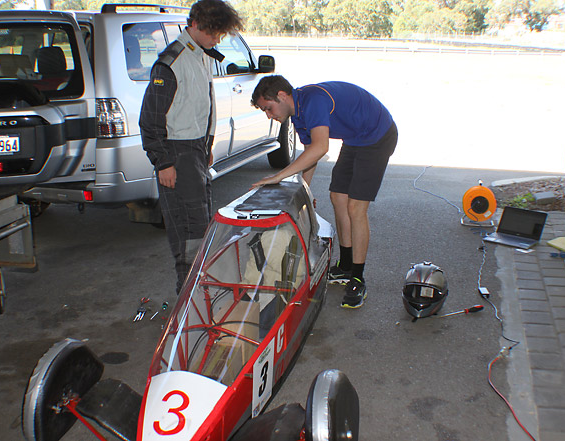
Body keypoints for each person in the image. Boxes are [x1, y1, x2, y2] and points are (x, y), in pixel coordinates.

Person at [251, 76, 397, 309]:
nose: (268, 115)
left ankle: (358, 278)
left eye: (268, 108)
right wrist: (302, 192)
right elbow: (311, 154)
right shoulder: (297, 114)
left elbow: (322, 147)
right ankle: (346, 266)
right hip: (356, 139)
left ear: (282, 95)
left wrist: (279, 176)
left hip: (377, 136)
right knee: (338, 197)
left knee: (355, 208)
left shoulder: (313, 101)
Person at [139, 0, 242, 294]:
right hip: (177, 155)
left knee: (202, 225)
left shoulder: (202, 55)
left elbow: (203, 105)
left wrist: (207, 143)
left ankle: (200, 294)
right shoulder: (171, 62)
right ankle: (187, 302)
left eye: (221, 34)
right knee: (187, 232)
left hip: (195, 150)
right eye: (214, 32)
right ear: (195, 24)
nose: (218, 39)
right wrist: (163, 162)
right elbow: (150, 120)